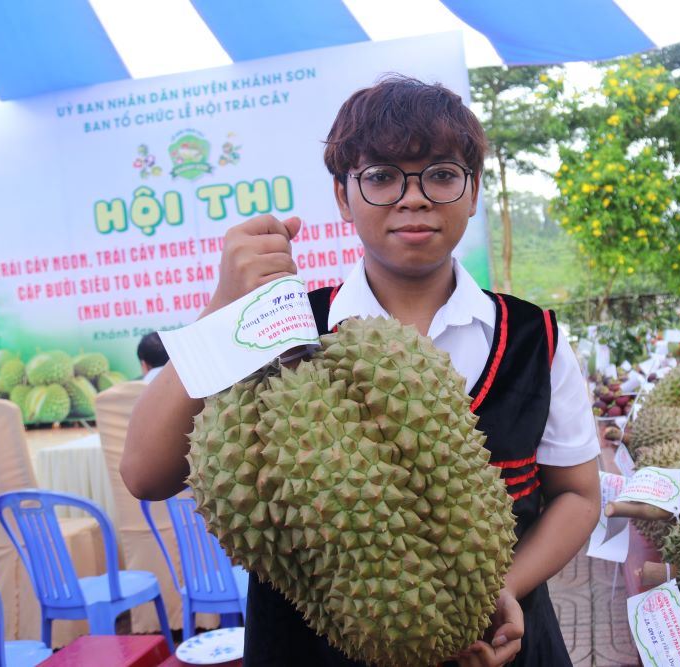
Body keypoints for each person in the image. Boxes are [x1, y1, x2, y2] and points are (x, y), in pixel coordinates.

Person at [121, 75, 601, 667]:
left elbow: (577, 495)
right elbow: (145, 474)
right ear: (343, 198)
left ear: (473, 192)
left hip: (509, 638)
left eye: (443, 175)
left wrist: (507, 585)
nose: (414, 197)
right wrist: (225, 305)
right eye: (380, 177)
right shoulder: (276, 329)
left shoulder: (535, 337)